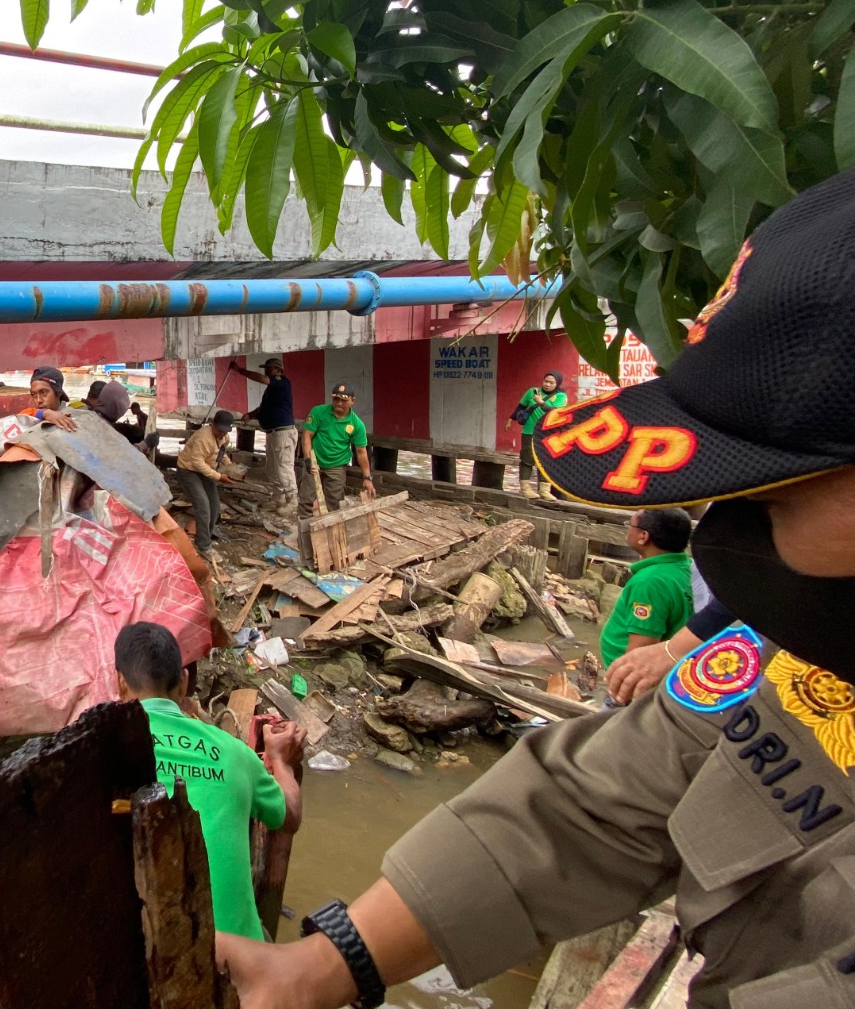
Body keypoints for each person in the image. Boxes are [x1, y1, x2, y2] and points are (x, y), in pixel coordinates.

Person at [216, 170, 855, 1009]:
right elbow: (597, 797)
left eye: (767, 491)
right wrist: (330, 961)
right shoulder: (799, 653)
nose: (725, 529)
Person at [0, 622, 305, 939]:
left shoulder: (84, 755)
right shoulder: (235, 753)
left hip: (149, 967)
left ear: (119, 682)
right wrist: (280, 762)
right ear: (183, 683)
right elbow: (288, 816)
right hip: (244, 972)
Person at [604, 564, 733, 702]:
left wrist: (673, 650)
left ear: (643, 540)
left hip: (640, 685)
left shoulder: (649, 582)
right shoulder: (685, 569)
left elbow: (642, 650)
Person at [599, 507, 694, 670]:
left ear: (643, 537)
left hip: (632, 681)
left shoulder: (649, 582)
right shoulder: (688, 568)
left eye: (630, 525)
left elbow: (642, 649)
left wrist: (627, 688)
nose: (628, 529)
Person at [230, 356, 299, 515]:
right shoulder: (272, 391)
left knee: (283, 467)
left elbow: (261, 379)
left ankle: (292, 499)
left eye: (270, 368)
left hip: (283, 432)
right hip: (273, 433)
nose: (267, 371)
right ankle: (278, 498)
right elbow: (264, 409)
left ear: (278, 370)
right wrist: (251, 415)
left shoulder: (282, 382)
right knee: (272, 469)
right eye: (266, 369)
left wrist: (240, 370)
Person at [177, 408, 243, 554]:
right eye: (219, 430)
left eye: (225, 431)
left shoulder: (224, 437)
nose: (222, 434)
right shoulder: (203, 438)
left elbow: (222, 454)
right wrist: (219, 477)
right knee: (203, 506)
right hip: (189, 471)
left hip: (206, 470)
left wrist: (230, 467)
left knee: (214, 506)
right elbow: (197, 463)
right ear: (213, 425)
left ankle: (207, 534)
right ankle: (203, 545)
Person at [301, 384, 374, 512]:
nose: (339, 403)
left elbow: (361, 453)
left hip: (337, 465)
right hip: (314, 461)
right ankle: (304, 530)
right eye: (335, 399)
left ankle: (330, 530)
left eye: (344, 400)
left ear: (352, 401)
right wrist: (308, 460)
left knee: (335, 504)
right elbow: (307, 435)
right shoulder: (318, 412)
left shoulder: (357, 424)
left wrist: (367, 478)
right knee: (306, 500)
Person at [509, 369, 568, 498]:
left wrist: (541, 402)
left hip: (548, 433)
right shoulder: (532, 392)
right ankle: (524, 489)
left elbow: (556, 412)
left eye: (551, 383)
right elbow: (521, 407)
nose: (547, 384)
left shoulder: (561, 396)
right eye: (546, 381)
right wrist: (510, 420)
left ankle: (544, 491)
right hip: (529, 431)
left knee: (545, 461)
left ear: (557, 384)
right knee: (527, 459)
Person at [24, 364, 77, 431]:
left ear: (58, 393)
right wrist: (44, 413)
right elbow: (17, 417)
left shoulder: (73, 418)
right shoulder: (36, 415)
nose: (39, 400)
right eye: (34, 394)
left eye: (43, 393)